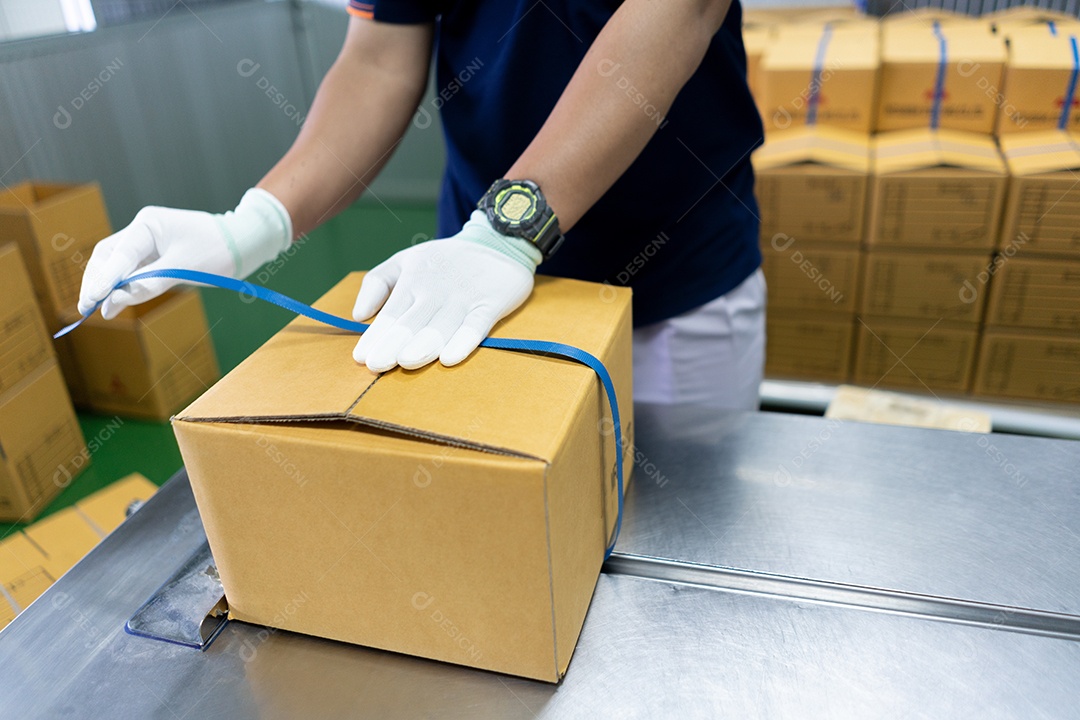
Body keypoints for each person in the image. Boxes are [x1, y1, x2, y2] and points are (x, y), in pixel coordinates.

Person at [78, 0, 766, 409]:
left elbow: (679, 10)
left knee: (674, 534)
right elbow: (380, 56)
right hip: (468, 292)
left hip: (671, 279)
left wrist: (510, 230)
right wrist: (250, 227)